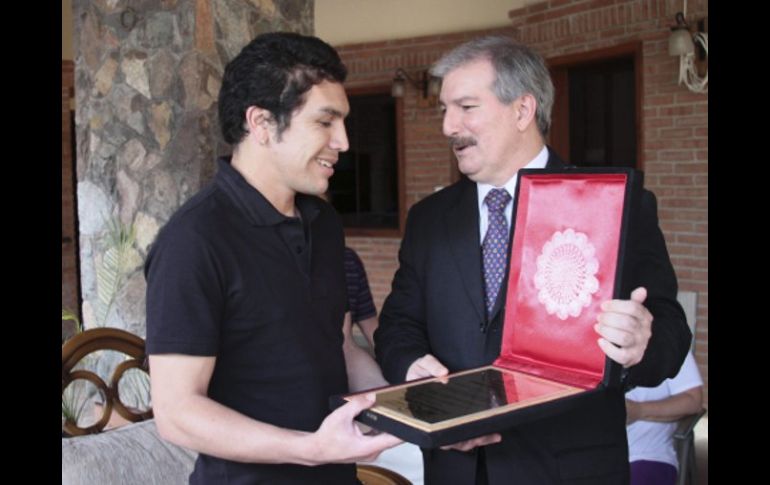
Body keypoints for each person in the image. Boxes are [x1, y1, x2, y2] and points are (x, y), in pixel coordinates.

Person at [374, 35, 692, 484]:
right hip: (456, 470)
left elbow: (672, 332)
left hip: (569, 468)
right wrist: (414, 372)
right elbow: (398, 326)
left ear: (522, 110)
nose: (448, 126)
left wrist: (643, 341)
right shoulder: (429, 219)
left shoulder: (611, 204)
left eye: (466, 107)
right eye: (444, 110)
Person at [144, 32, 400, 484]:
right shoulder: (193, 240)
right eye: (325, 122)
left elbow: (338, 346)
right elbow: (177, 412)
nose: (342, 141)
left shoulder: (322, 222)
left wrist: (417, 412)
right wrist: (310, 450)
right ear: (261, 123)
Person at [626, 352, 704, 485]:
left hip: (644, 456)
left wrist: (638, 411)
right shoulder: (584, 342)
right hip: (589, 452)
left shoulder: (670, 342)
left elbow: (693, 400)